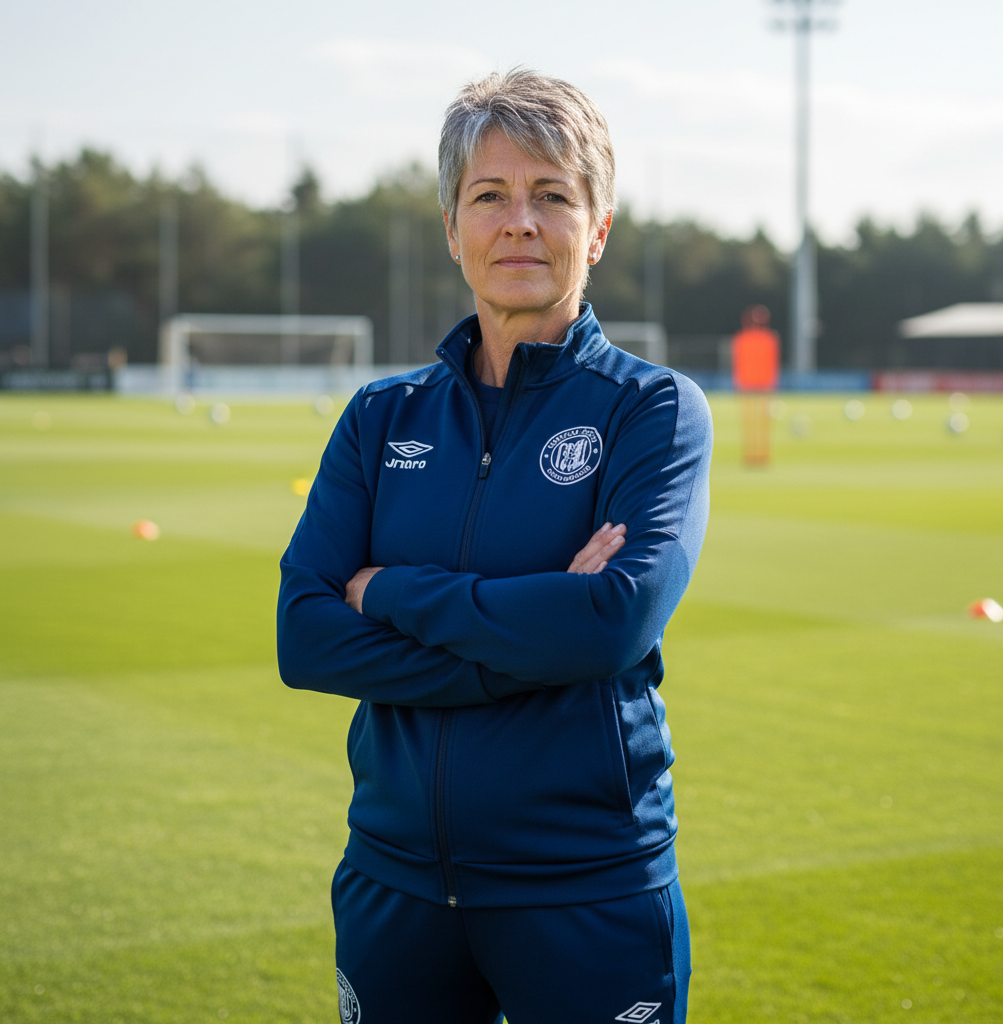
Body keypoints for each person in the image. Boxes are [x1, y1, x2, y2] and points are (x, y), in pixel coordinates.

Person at [277, 69, 713, 1024]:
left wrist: (386, 589)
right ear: (452, 228)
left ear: (595, 230)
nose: (520, 221)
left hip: (586, 889)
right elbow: (304, 639)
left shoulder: (653, 411)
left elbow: (609, 622)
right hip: (393, 886)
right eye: (490, 196)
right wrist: (532, 639)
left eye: (552, 195)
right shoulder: (376, 417)